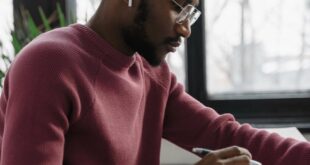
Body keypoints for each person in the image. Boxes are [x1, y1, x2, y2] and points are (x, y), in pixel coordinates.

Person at [0, 0, 309, 164]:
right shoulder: (48, 65)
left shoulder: (152, 76)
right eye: (179, 6)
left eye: (193, 13)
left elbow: (223, 134)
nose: (186, 29)